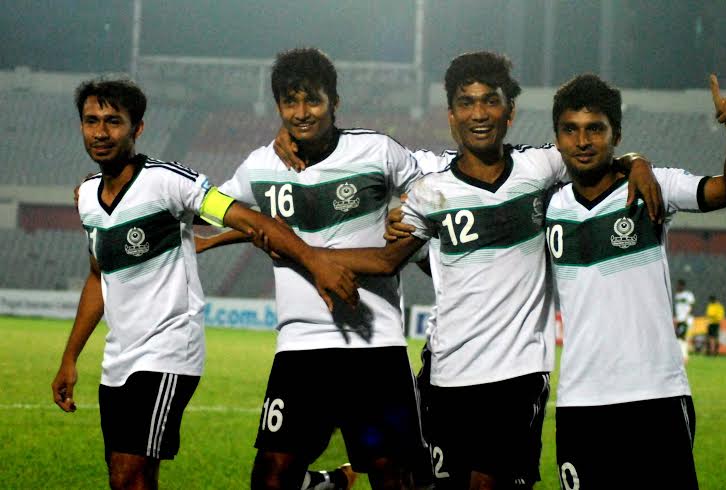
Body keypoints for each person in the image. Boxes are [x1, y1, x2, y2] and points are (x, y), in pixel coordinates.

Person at [262, 51, 662, 489]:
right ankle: (327, 482)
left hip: (516, 373)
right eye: (467, 103)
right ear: (450, 114)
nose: (479, 114)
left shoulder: (540, 166)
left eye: (490, 101)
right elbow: (384, 254)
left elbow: (593, 153)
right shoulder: (431, 181)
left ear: (509, 111)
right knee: (414, 479)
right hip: (444, 372)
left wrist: (636, 161)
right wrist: (302, 246)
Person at [50, 79, 357, 490]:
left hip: (167, 351)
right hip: (118, 359)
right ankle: (321, 485)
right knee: (126, 478)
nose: (101, 132)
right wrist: (70, 357)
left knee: (129, 476)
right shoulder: (87, 196)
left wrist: (315, 261)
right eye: (91, 121)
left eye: (113, 122)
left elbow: (249, 218)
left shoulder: (169, 182)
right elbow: (97, 275)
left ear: (136, 128)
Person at [196, 47, 427, 490]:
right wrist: (110, 181)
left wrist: (409, 217)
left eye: (313, 101)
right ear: (278, 106)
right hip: (300, 349)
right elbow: (210, 205)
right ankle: (327, 483)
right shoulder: (260, 165)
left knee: (390, 475)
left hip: (374, 346)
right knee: (272, 476)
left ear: (334, 102)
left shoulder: (376, 151)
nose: (302, 113)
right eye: (290, 102)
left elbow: (434, 194)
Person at [545, 73, 726, 489]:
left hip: (655, 396)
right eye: (570, 130)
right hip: (581, 402)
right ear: (557, 138)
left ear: (615, 134)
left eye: (595, 129)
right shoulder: (546, 206)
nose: (582, 141)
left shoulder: (653, 188)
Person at [674, 279, 696, 363]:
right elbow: (677, 309)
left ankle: (685, 357)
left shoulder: (688, 295)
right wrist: (676, 319)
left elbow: (691, 306)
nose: (677, 287)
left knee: (681, 338)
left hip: (685, 320)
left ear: (682, 286)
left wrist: (686, 318)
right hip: (679, 320)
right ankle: (683, 356)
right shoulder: (677, 296)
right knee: (680, 338)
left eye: (679, 285)